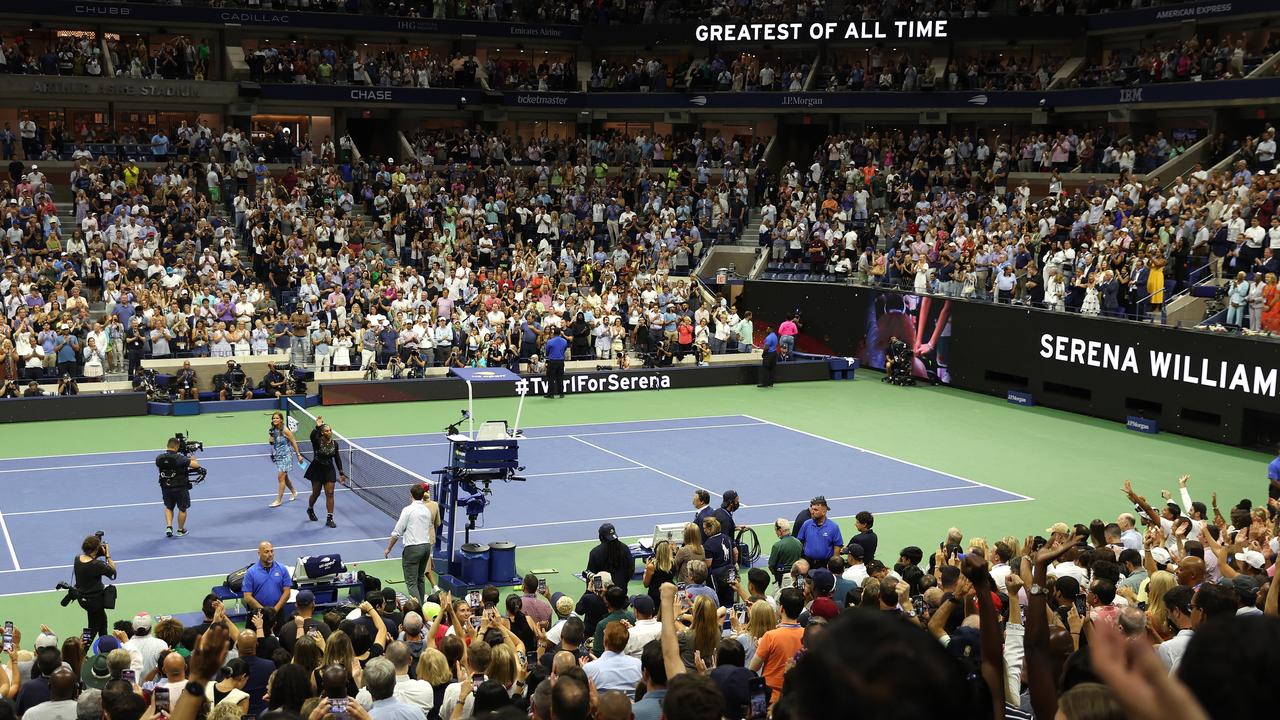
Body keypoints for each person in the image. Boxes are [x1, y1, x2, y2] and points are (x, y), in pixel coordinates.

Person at [384, 483, 442, 603]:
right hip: (426, 548)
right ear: (422, 496)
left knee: (411, 582)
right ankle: (422, 606)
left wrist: (388, 548)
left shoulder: (407, 510)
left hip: (413, 549)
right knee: (420, 578)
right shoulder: (426, 511)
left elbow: (397, 532)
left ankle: (418, 610)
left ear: (411, 496)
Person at [303, 417, 348, 528]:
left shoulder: (335, 444)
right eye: (326, 431)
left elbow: (337, 458)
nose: (329, 432)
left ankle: (330, 518)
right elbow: (312, 436)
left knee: (330, 493)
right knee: (316, 493)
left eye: (330, 430)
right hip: (317, 469)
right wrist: (317, 426)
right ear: (322, 433)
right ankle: (310, 509)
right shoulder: (317, 442)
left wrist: (341, 473)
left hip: (329, 470)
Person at [156, 436, 201, 537]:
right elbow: (196, 465)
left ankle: (169, 527)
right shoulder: (181, 458)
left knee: (169, 507)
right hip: (180, 488)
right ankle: (180, 530)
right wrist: (192, 457)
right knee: (182, 509)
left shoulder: (159, 458)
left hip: (165, 487)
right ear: (177, 447)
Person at [74, 534, 117, 640]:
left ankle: (104, 646)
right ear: (96, 549)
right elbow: (112, 570)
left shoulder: (77, 559)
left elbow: (90, 561)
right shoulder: (97, 565)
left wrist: (97, 551)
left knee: (103, 622)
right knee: (91, 629)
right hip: (94, 602)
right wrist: (107, 554)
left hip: (82, 599)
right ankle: (82, 651)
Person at [242, 541, 292, 616]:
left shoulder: (282, 569)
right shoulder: (251, 572)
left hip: (278, 612)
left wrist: (275, 610)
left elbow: (287, 592)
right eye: (266, 552)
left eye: (272, 551)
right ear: (259, 553)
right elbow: (247, 596)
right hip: (258, 614)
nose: (270, 554)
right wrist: (264, 611)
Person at [266, 411, 302, 508]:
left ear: (281, 420)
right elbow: (272, 443)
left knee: (280, 477)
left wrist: (298, 455)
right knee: (284, 478)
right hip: (279, 455)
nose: (275, 419)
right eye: (273, 418)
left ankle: (278, 500)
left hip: (287, 455)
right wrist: (271, 437)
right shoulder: (273, 430)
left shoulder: (285, 430)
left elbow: (293, 441)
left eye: (277, 418)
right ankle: (294, 492)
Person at [586, 523, 635, 593]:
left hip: (602, 591)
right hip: (620, 590)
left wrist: (598, 590)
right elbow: (631, 568)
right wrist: (623, 583)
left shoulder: (595, 552)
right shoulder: (624, 548)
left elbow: (592, 575)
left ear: (601, 537)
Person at [796, 496, 843, 567]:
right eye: (812, 509)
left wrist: (834, 564)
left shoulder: (833, 527)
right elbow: (799, 542)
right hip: (808, 562)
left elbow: (837, 546)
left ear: (824, 512)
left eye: (815, 510)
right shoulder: (806, 524)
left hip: (825, 564)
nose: (812, 512)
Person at [543, 326, 567, 398]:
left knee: (551, 378)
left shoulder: (550, 341)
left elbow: (547, 352)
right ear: (560, 333)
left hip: (552, 361)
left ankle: (551, 394)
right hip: (561, 361)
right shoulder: (564, 341)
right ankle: (561, 393)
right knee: (560, 377)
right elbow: (564, 350)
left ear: (553, 333)